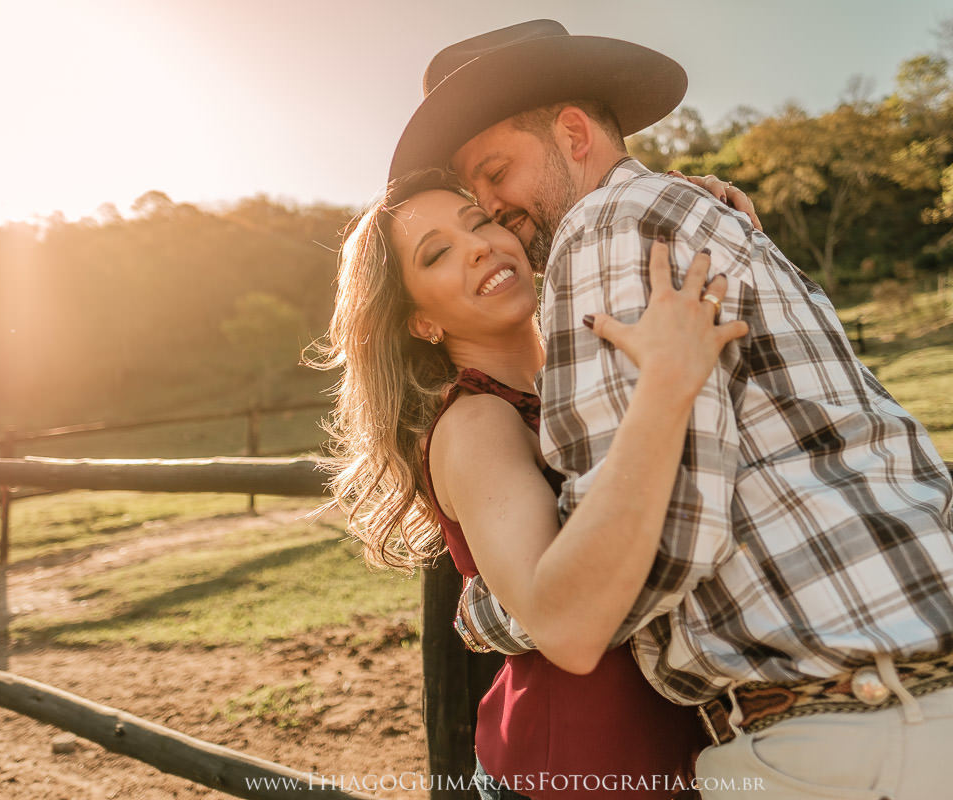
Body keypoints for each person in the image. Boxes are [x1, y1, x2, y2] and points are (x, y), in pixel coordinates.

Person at [388, 19, 953, 800]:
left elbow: (632, 562)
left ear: (571, 132)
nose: (493, 214)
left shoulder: (601, 231)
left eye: (494, 178)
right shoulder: (710, 225)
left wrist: (492, 607)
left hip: (854, 737)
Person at [314, 167, 750, 799]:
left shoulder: (582, 372)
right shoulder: (476, 422)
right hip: (572, 773)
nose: (480, 246)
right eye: (438, 253)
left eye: (480, 223)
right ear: (420, 323)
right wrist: (666, 381)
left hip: (680, 755)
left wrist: (702, 212)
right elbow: (564, 623)